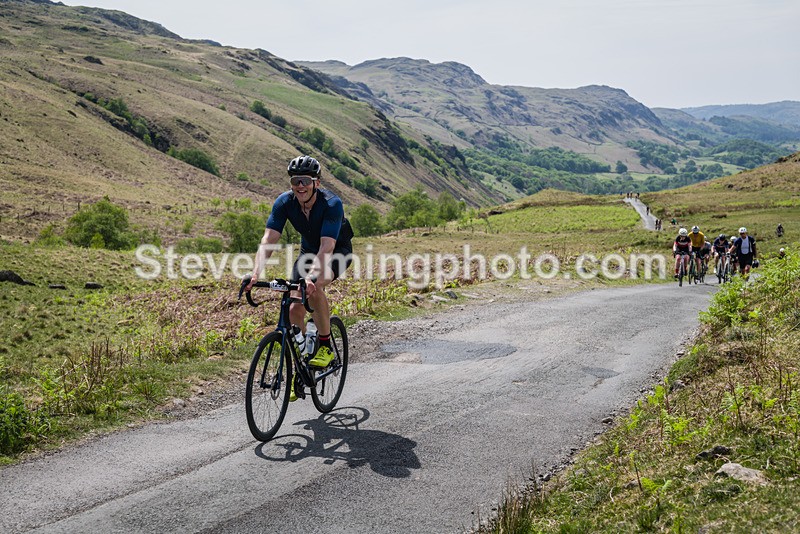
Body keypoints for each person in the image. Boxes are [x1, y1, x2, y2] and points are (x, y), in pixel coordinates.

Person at [246, 155, 354, 391]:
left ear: (316, 182)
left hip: (337, 251)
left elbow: (327, 247)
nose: (300, 186)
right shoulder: (285, 202)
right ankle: (304, 361)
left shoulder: (331, 203)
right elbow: (269, 240)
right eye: (296, 181)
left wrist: (312, 277)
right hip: (307, 253)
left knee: (315, 287)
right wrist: (255, 274)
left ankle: (325, 345)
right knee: (295, 307)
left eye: (305, 180)